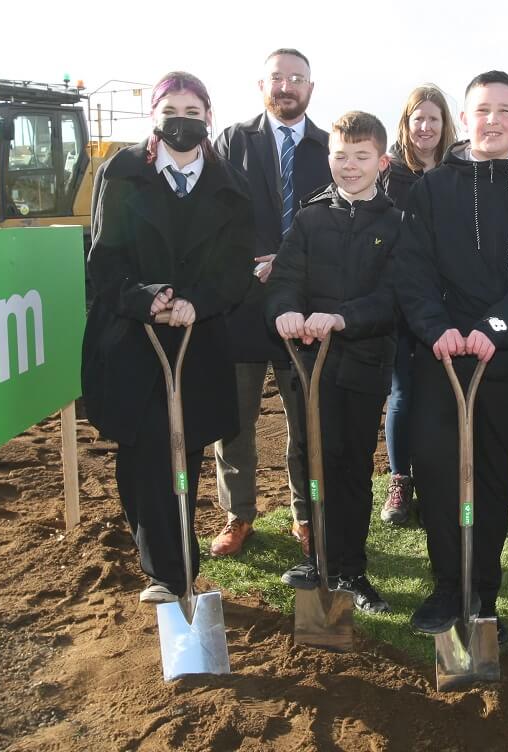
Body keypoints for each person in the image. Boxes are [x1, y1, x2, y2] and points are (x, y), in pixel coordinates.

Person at [398, 71, 508, 643]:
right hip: (444, 358)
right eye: (482, 110)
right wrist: (437, 329)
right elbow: (414, 269)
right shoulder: (431, 189)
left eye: (505, 110)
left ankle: (483, 591)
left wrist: (496, 327)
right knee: (438, 468)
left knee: (493, 475)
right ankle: (449, 584)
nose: (492, 120)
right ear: (465, 120)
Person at [81, 72, 254, 603]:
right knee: (141, 455)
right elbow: (104, 258)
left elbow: (235, 269)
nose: (183, 119)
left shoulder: (230, 184)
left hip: (197, 341)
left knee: (182, 450)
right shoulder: (124, 172)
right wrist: (146, 297)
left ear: (208, 116)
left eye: (193, 109)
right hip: (134, 338)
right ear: (155, 115)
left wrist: (197, 302)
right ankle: (165, 564)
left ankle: (173, 573)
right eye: (171, 109)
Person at [267, 111, 405, 613]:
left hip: (365, 364)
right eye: (340, 156)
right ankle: (319, 559)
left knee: (350, 467)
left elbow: (395, 298)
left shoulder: (395, 225)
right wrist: (285, 311)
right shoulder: (309, 219)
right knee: (314, 460)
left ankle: (351, 569)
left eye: (361, 157)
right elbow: (285, 280)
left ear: (381, 161)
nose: (349, 166)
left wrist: (341, 318)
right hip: (311, 367)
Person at [212, 48, 333, 557]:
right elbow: (215, 216)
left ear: (312, 87)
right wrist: (249, 262)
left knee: (305, 419)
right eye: (277, 78)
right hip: (240, 303)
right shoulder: (231, 141)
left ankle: (305, 515)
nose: (287, 86)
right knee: (233, 422)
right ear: (260, 84)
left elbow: (333, 222)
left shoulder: (330, 147)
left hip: (301, 309)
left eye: (297, 79)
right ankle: (238, 516)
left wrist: (285, 263)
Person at [379, 84, 457, 525]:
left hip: (447, 303)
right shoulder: (390, 172)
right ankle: (399, 481)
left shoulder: (459, 171)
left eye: (433, 118)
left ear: (445, 124)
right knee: (403, 392)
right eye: (417, 118)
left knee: (439, 394)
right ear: (405, 124)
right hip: (400, 301)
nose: (425, 127)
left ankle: (435, 483)